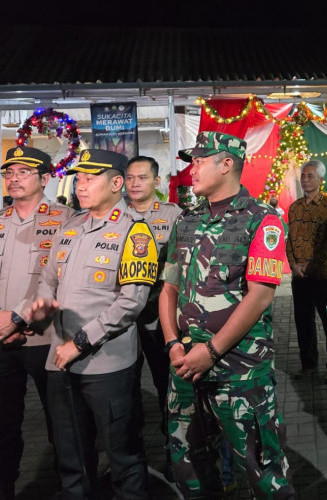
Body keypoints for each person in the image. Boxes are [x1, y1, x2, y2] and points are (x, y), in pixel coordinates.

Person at [159, 131, 293, 498]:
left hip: (239, 373)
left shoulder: (261, 220)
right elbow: (169, 288)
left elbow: (260, 296)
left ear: (227, 164)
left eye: (200, 161)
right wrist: (172, 343)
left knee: (262, 472)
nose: (192, 169)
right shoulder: (186, 221)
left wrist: (212, 351)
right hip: (185, 367)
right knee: (191, 467)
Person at [26, 149, 156, 499]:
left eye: (90, 179)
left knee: (123, 457)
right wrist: (41, 306)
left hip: (108, 366)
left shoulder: (136, 233)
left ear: (116, 183)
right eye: (78, 179)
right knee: (71, 457)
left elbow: (131, 302)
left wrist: (80, 342)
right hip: (61, 363)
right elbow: (47, 279)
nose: (81, 186)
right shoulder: (69, 228)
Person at [0, 146, 74, 499]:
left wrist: (17, 317)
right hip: (1, 342)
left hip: (46, 341)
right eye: (8, 173)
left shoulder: (67, 221)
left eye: (23, 172)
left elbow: (64, 280)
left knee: (61, 425)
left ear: (45, 178)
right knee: (3, 427)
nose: (13, 178)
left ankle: (69, 487)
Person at [124, 155, 182, 478]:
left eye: (142, 178)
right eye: (130, 178)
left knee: (167, 388)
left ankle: (175, 452)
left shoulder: (172, 215)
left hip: (161, 317)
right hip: (124, 322)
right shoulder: (116, 216)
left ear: (156, 182)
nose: (135, 183)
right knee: (126, 391)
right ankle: (133, 461)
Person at [286, 160, 327, 381]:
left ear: (321, 179)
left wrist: (311, 265)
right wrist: (293, 264)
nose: (306, 180)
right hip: (299, 276)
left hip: (323, 276)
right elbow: (289, 239)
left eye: (310, 176)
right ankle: (308, 365)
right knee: (303, 322)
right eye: (303, 176)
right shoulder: (294, 207)